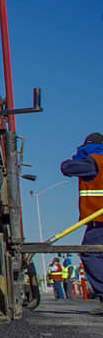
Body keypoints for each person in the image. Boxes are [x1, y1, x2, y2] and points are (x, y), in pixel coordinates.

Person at [60, 132, 103, 315]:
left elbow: (67, 168)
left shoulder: (94, 162)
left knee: (90, 253)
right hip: (97, 220)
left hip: (100, 221)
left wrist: (77, 157)